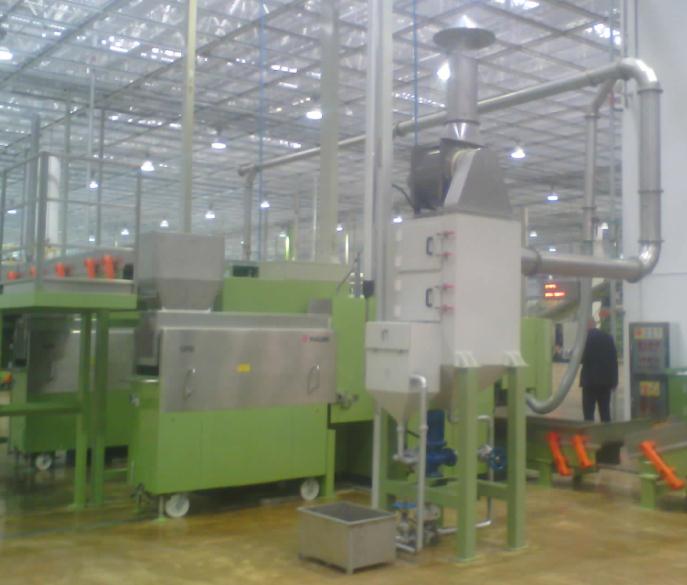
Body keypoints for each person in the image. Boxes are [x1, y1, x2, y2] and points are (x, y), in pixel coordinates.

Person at [580, 323, 618, 422]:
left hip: (589, 382)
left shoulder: (585, 339)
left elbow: (581, 358)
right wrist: (614, 381)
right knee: (605, 412)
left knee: (588, 414)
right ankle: (606, 431)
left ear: (587, 325)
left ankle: (590, 431)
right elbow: (614, 360)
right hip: (605, 382)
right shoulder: (608, 337)